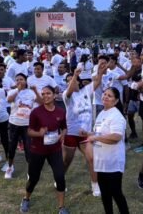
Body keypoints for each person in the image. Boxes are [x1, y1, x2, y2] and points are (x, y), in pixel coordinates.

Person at [20, 86, 69, 214]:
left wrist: (63, 134)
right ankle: (26, 198)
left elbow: (64, 127)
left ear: (54, 95)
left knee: (60, 177)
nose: (45, 96)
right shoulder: (36, 112)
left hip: (55, 150)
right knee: (33, 179)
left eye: (48, 93)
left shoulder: (60, 111)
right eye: (43, 94)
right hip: (38, 150)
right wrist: (39, 133)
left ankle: (61, 207)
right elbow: (29, 131)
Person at [83, 87, 129, 214]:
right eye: (104, 94)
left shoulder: (116, 116)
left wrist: (96, 138)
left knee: (116, 193)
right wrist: (88, 133)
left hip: (112, 162)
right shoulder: (102, 113)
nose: (105, 97)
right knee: (105, 194)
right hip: (101, 162)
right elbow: (100, 133)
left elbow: (116, 137)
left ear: (116, 100)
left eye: (110, 95)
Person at [63, 68, 101, 197]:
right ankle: (60, 178)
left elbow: (97, 82)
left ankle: (95, 185)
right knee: (67, 161)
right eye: (68, 81)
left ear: (79, 82)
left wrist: (101, 71)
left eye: (73, 81)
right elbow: (69, 91)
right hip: (71, 133)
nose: (71, 83)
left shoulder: (85, 91)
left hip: (85, 134)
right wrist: (74, 75)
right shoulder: (66, 95)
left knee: (92, 158)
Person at [4, 73, 42, 179]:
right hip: (14, 123)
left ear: (26, 81)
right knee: (11, 148)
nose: (19, 81)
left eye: (21, 79)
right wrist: (18, 90)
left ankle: (30, 170)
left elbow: (41, 102)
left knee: (29, 148)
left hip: (27, 125)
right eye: (17, 80)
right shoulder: (12, 91)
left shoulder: (31, 92)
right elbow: (9, 100)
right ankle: (10, 167)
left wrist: (35, 91)